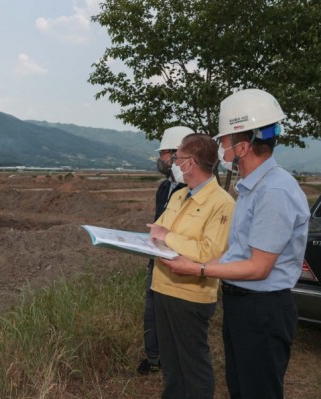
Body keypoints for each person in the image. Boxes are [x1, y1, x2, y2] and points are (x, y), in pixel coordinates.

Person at [160, 88, 310, 399]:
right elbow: (238, 253)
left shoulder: (274, 192)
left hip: (262, 309)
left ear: (242, 146)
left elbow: (258, 267)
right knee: (241, 388)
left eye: (224, 140)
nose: (220, 149)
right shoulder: (253, 188)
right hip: (244, 304)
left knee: (258, 390)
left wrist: (199, 268)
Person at [148, 133, 235, 398]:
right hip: (163, 287)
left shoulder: (222, 204)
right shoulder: (178, 196)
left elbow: (211, 251)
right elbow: (157, 231)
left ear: (191, 163)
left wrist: (169, 238)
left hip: (190, 295)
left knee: (193, 365)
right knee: (172, 366)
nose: (174, 162)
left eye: (179, 158)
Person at [137, 126, 193, 375]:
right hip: (157, 260)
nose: (160, 159)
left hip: (180, 263)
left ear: (176, 155)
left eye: (163, 154)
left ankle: (176, 360)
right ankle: (154, 357)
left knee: (176, 316)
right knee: (152, 311)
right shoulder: (164, 188)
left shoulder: (190, 191)